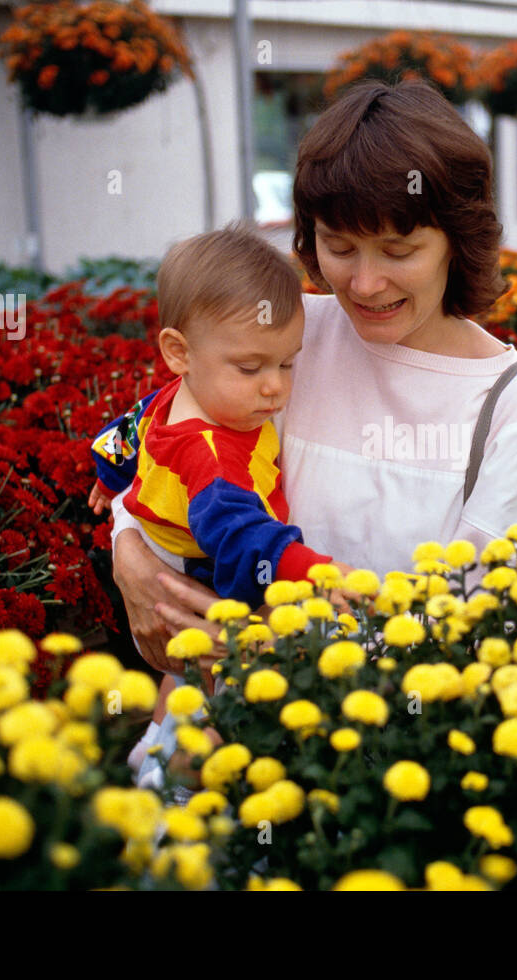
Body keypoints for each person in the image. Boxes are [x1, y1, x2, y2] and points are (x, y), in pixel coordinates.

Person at [106, 78, 517, 780]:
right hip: (205, 749)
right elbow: (176, 448)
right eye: (338, 244)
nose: (362, 283)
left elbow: (474, 631)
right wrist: (129, 553)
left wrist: (260, 651)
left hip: (373, 770)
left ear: (457, 239)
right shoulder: (287, 334)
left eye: (398, 248)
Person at [88, 226, 351, 784]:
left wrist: (108, 478)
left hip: (170, 545)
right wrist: (316, 572)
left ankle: (153, 746)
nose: (274, 388)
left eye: (287, 364)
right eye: (251, 368)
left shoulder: (177, 394)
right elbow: (239, 532)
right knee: (222, 674)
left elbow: (127, 432)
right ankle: (175, 781)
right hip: (200, 562)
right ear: (178, 351)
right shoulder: (210, 451)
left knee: (183, 673)